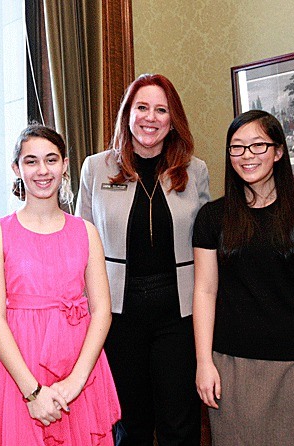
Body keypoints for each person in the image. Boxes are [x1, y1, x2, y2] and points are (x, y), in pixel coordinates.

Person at [76, 73, 210, 445]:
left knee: (178, 424)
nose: (150, 118)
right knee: (128, 423)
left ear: (173, 119)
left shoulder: (194, 170)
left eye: (161, 109)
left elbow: (207, 246)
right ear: (127, 115)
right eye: (142, 107)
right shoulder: (96, 167)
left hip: (178, 314)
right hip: (117, 313)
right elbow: (80, 243)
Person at [192, 110, 294, 445]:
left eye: (258, 145)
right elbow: (204, 291)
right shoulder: (212, 218)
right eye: (237, 147)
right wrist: (204, 362)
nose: (247, 156)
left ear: (278, 151)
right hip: (231, 366)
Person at [0, 124, 120, 445]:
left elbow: (102, 310)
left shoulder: (86, 232)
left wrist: (75, 383)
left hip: (79, 370)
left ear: (65, 165)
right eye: (31, 161)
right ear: (17, 168)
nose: (42, 170)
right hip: (18, 375)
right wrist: (33, 392)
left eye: (51, 160)